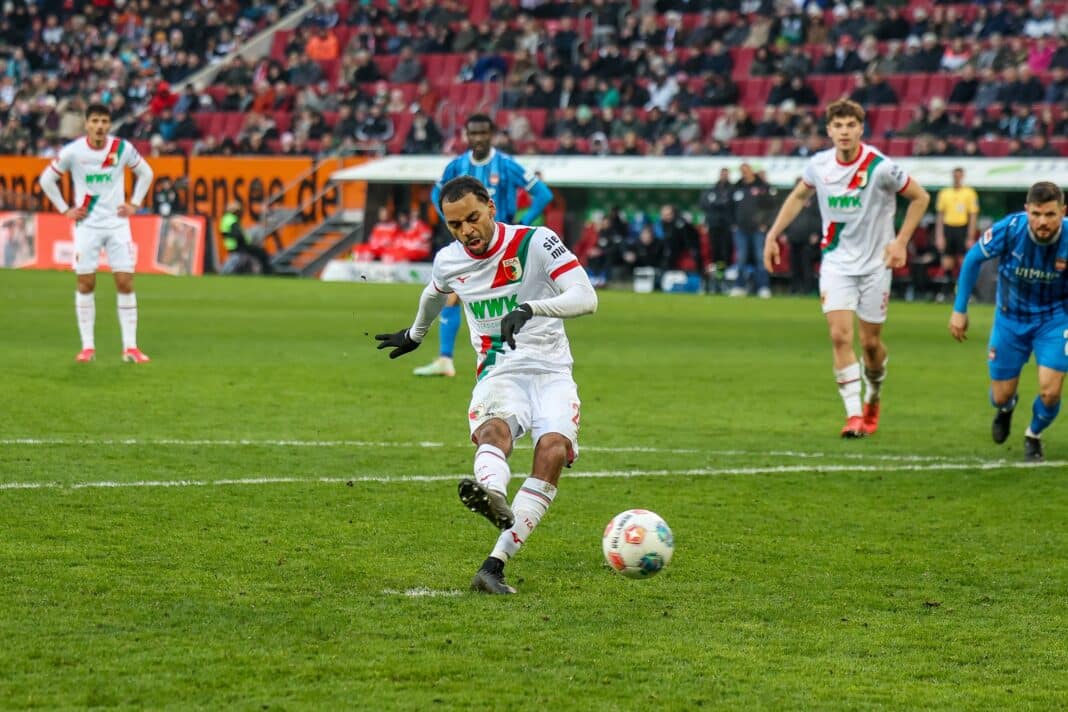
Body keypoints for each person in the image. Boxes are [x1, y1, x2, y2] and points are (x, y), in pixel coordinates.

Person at [375, 176, 597, 594]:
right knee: (495, 432)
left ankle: (493, 566)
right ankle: (492, 494)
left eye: (472, 219)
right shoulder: (450, 261)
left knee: (552, 451)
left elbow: (586, 298)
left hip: (552, 371)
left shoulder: (535, 242)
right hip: (500, 370)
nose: (466, 232)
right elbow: (433, 293)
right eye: (455, 225)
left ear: (492, 207)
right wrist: (415, 335)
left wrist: (531, 307)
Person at [764, 99, 930, 437]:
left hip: (874, 266)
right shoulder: (819, 165)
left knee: (870, 344)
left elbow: (921, 197)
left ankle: (874, 395)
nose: (844, 131)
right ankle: (854, 415)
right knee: (839, 335)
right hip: (837, 263)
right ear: (828, 131)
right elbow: (798, 196)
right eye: (837, 126)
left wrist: (899, 243)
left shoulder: (880, 167)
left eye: (850, 125)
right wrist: (773, 234)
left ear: (860, 129)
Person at [413, 113, 554, 378]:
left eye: (483, 133)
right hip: (471, 247)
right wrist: (454, 223)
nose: (478, 139)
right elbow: (436, 194)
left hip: (503, 246)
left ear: (492, 135)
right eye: (473, 133)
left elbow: (544, 194)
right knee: (453, 296)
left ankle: (505, 358)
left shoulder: (506, 164)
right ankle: (448, 359)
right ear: (466, 136)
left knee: (508, 301)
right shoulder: (456, 166)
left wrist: (522, 223)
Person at [948, 181, 1068, 462]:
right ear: (1026, 210)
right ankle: (1006, 409)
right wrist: (959, 309)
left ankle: (1033, 434)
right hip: (1010, 320)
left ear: (1063, 212)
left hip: (1054, 320)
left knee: (1050, 391)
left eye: (1050, 215)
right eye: (1036, 214)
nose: (1042, 222)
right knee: (1001, 395)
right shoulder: (1010, 229)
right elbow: (972, 259)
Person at [38, 103, 154, 363]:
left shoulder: (121, 148)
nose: (100, 126)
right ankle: (87, 347)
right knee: (85, 283)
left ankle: (131, 347)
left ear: (109, 124)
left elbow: (146, 173)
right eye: (95, 121)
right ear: (86, 124)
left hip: (117, 225)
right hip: (87, 226)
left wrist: (134, 203)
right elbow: (46, 179)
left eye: (104, 121)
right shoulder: (73, 152)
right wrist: (65, 209)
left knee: (125, 282)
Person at [933, 167, 980, 286]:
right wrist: (939, 236)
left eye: (959, 176)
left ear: (962, 177)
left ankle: (964, 289)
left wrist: (970, 236)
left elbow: (973, 216)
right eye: (955, 176)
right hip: (948, 228)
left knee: (963, 261)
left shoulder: (969, 193)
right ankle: (947, 291)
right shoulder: (944, 193)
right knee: (947, 261)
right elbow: (940, 216)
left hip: (962, 228)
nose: (957, 178)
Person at [219, 200, 272, 274]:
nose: (241, 213)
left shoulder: (227, 218)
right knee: (261, 253)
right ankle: (267, 271)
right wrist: (245, 240)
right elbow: (237, 234)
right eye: (240, 211)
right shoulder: (231, 219)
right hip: (238, 245)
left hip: (233, 245)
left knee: (241, 259)